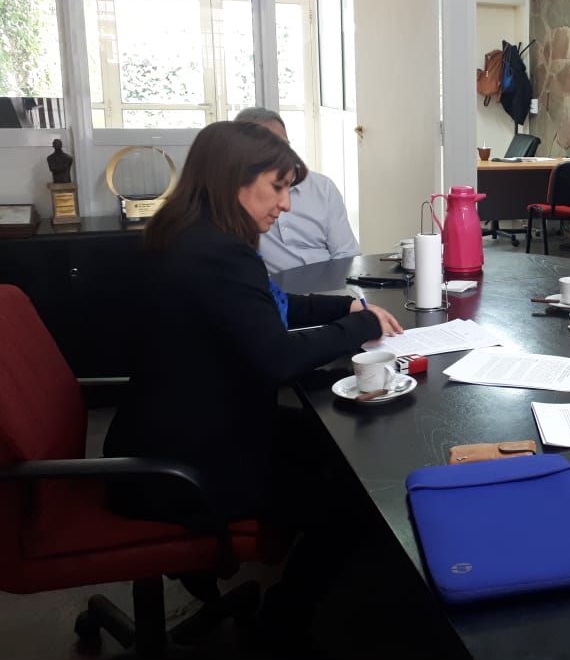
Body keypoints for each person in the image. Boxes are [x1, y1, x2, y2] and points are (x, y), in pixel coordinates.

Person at [104, 121, 402, 525]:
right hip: (188, 468)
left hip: (163, 435)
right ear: (233, 179)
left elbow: (263, 304)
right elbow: (278, 359)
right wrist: (363, 326)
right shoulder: (220, 254)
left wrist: (343, 309)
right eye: (277, 187)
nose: (286, 204)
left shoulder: (188, 234)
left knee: (326, 439)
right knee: (352, 475)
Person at [234, 106, 360, 273]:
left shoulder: (322, 187)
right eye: (269, 148)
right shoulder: (238, 195)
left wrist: (340, 287)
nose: (281, 155)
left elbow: (346, 254)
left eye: (284, 146)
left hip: (330, 283)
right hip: (277, 286)